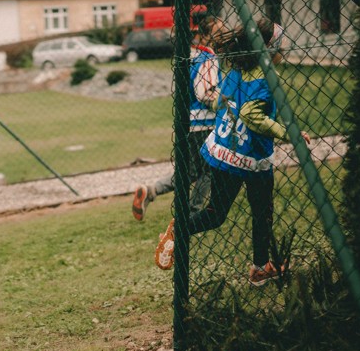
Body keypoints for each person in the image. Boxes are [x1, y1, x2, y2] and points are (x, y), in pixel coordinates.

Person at [154, 19, 309, 286]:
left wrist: (228, 107)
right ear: (269, 49)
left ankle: (180, 229)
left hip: (223, 151)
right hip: (252, 156)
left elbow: (219, 102)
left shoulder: (235, 68)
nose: (283, 50)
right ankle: (259, 267)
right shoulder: (266, 78)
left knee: (215, 213)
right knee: (262, 213)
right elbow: (251, 115)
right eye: (280, 45)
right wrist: (290, 133)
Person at [132, 15, 227, 221]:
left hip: (189, 122)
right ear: (204, 36)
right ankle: (191, 214)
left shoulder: (190, 57)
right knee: (209, 170)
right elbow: (205, 92)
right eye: (219, 33)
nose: (223, 36)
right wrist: (226, 99)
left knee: (190, 172)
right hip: (205, 122)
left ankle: (151, 190)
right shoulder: (209, 59)